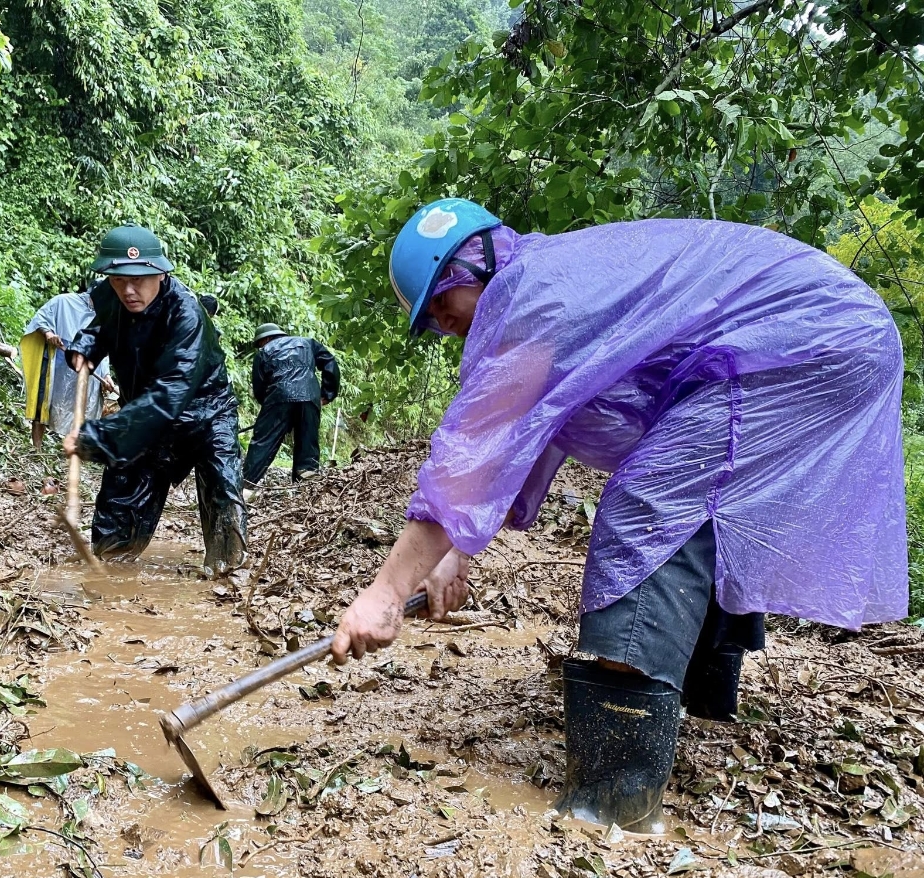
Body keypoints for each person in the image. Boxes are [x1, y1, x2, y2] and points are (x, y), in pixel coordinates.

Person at [330, 198, 907, 833]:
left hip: (804, 342)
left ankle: (612, 803)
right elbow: (525, 439)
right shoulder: (556, 282)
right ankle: (702, 696)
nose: (446, 327)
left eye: (443, 306)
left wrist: (386, 593)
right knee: (705, 505)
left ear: (476, 266)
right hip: (837, 334)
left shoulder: (530, 296)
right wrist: (451, 555)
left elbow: (474, 454)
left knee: (646, 507)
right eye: (434, 322)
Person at [62, 224, 247, 575]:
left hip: (204, 414)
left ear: (160, 273)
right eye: (119, 280)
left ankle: (227, 577)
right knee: (122, 501)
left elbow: (169, 394)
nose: (129, 290)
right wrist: (86, 346)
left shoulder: (187, 316)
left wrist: (97, 437)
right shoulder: (110, 296)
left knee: (223, 496)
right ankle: (111, 570)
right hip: (144, 410)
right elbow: (103, 326)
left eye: (139, 280)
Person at [242, 323, 340, 489]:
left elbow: (259, 388)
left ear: (265, 339)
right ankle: (305, 489)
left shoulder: (263, 352)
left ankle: (245, 485)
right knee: (307, 441)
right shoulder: (308, 343)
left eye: (259, 343)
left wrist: (269, 410)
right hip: (309, 396)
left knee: (264, 442)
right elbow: (330, 363)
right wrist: (327, 394)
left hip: (278, 397)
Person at [21, 289, 113, 448]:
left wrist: (106, 375)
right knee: (44, 404)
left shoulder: (105, 314)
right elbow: (40, 319)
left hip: (85, 369)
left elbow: (103, 350)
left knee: (84, 408)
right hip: (58, 362)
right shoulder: (63, 301)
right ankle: (37, 448)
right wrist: (49, 334)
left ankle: (76, 450)